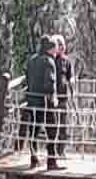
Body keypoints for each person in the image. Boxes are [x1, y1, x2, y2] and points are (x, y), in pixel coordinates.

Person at [31, 32, 73, 171]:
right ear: (50, 48)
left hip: (32, 101)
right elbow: (50, 82)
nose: (57, 50)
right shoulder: (49, 61)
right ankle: (51, 161)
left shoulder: (32, 60)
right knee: (52, 130)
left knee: (34, 130)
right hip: (46, 103)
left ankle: (34, 158)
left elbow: (28, 78)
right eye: (55, 47)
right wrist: (52, 97)